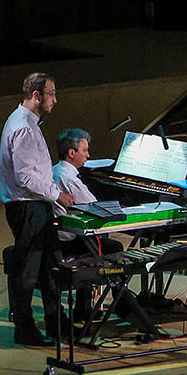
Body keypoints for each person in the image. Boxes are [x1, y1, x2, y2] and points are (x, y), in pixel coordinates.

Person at [52, 129, 159, 341]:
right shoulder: (69, 178)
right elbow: (93, 206)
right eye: (85, 150)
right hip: (69, 241)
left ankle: (110, 303)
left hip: (61, 237)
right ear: (72, 153)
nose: (88, 155)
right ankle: (111, 305)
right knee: (114, 249)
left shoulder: (56, 170)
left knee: (106, 245)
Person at [0, 72, 71, 346]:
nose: (55, 100)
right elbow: (25, 177)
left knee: (51, 265)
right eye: (52, 94)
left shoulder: (28, 122)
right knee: (28, 271)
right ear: (36, 95)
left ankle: (56, 321)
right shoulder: (23, 128)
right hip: (27, 207)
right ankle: (24, 328)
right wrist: (57, 194)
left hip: (36, 206)